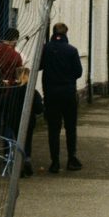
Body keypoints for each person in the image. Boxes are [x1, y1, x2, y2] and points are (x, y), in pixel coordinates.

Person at [0, 28, 34, 176]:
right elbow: (19, 77)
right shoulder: (16, 56)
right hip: (6, 94)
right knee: (4, 126)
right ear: (15, 40)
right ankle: (5, 156)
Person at [41, 22, 83, 173]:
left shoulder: (45, 49)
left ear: (53, 32)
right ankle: (72, 158)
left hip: (51, 94)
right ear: (66, 33)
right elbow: (78, 72)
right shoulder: (72, 50)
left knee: (53, 129)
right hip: (68, 93)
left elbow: (38, 66)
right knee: (70, 127)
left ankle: (55, 162)